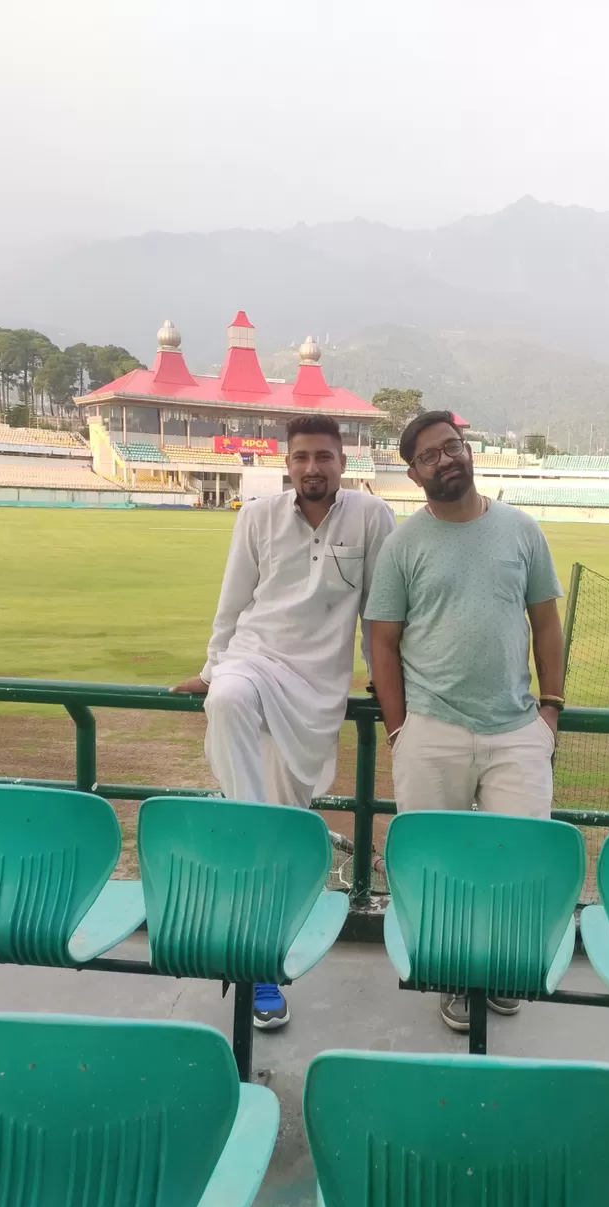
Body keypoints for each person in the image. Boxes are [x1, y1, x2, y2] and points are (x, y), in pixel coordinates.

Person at [172, 414, 396, 1029]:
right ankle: (259, 960)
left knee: (287, 813)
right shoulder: (257, 516)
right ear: (287, 463)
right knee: (226, 701)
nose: (312, 468)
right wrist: (215, 666)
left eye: (324, 456)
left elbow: (380, 610)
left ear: (343, 462)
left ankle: (260, 905)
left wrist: (384, 676)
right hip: (254, 657)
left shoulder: (373, 518)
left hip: (318, 687)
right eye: (301, 457)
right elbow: (232, 602)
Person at [364, 409, 566, 1033]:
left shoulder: (521, 531)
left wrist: (551, 711)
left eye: (453, 446)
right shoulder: (404, 544)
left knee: (518, 860)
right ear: (414, 471)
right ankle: (451, 974)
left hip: (515, 729)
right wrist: (400, 730)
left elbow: (546, 624)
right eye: (431, 454)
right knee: (438, 864)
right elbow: (382, 642)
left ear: (467, 450)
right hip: (430, 729)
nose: (447, 459)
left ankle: (498, 969)